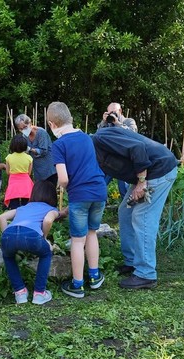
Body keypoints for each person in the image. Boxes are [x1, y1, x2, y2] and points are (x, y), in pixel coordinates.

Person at [91, 125, 179, 289]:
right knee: (125, 212)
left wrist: (141, 181)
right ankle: (132, 262)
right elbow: (103, 179)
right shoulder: (96, 150)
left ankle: (145, 274)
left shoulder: (101, 139)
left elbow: (137, 148)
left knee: (142, 217)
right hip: (147, 174)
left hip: (158, 170)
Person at [48, 101, 108, 298]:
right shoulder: (86, 137)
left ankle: (77, 284)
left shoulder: (58, 144)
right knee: (92, 233)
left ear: (52, 124)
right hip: (99, 191)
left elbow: (64, 178)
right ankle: (94, 276)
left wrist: (61, 186)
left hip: (80, 195)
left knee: (77, 239)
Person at [0, 181, 65, 305]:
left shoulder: (23, 207)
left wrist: (6, 236)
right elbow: (48, 220)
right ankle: (39, 293)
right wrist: (44, 238)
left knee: (8, 256)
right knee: (46, 254)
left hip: (9, 234)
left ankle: (20, 292)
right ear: (52, 196)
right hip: (32, 235)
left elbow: (1, 217)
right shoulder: (51, 209)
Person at [96, 102, 137, 199]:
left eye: (114, 112)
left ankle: (127, 211)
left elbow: (133, 135)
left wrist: (117, 123)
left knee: (124, 191)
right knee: (99, 185)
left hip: (124, 162)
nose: (112, 115)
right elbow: (97, 137)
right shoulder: (107, 124)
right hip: (110, 161)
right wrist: (103, 122)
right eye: (110, 113)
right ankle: (101, 208)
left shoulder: (129, 121)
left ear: (120, 111)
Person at [15, 114, 57, 184]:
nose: (23, 130)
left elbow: (43, 151)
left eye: (25, 127)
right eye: (21, 129)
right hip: (37, 170)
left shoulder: (41, 133)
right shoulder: (24, 136)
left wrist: (30, 149)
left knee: (50, 192)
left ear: (30, 123)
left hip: (49, 169)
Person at [4, 134, 33, 209]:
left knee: (14, 204)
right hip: (25, 182)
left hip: (13, 182)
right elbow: (29, 173)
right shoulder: (29, 158)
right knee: (26, 204)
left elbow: (7, 172)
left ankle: (15, 218)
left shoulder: (9, 157)